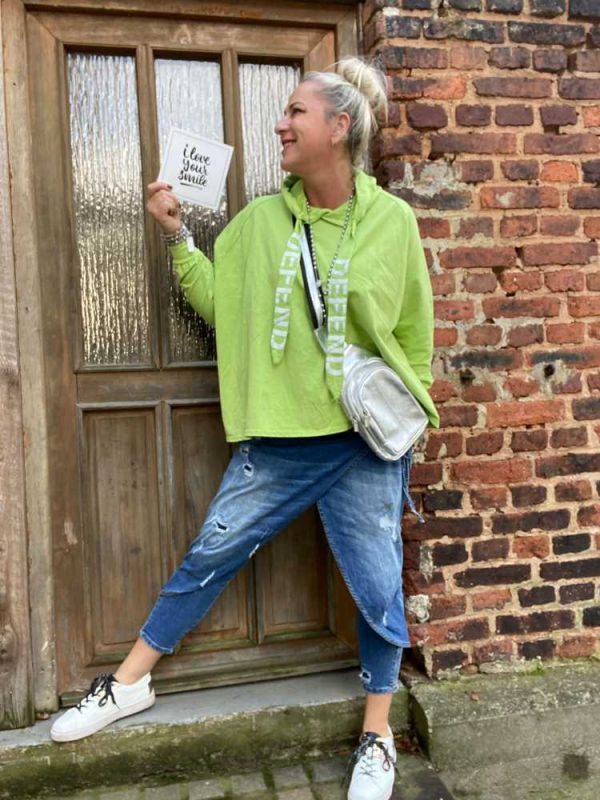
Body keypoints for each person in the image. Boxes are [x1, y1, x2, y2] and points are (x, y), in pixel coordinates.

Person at [50, 57, 439, 800]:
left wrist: (409, 417)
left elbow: (414, 334)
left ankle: (378, 733)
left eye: (295, 112)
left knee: (379, 586)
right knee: (211, 552)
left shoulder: (393, 223)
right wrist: (177, 239)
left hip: (365, 444)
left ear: (339, 127)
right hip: (280, 438)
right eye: (283, 112)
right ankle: (129, 684)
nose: (279, 124)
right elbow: (221, 305)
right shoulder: (261, 222)